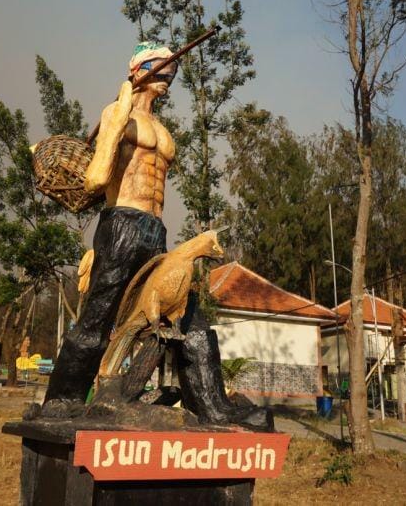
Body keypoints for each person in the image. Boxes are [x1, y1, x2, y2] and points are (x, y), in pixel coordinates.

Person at [41, 42, 271, 431]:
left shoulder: (161, 130)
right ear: (139, 71)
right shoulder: (117, 114)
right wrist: (115, 123)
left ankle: (214, 408)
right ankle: (62, 400)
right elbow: (96, 178)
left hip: (155, 232)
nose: (169, 77)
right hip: (121, 225)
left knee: (190, 319)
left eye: (171, 71)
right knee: (99, 315)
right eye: (162, 69)